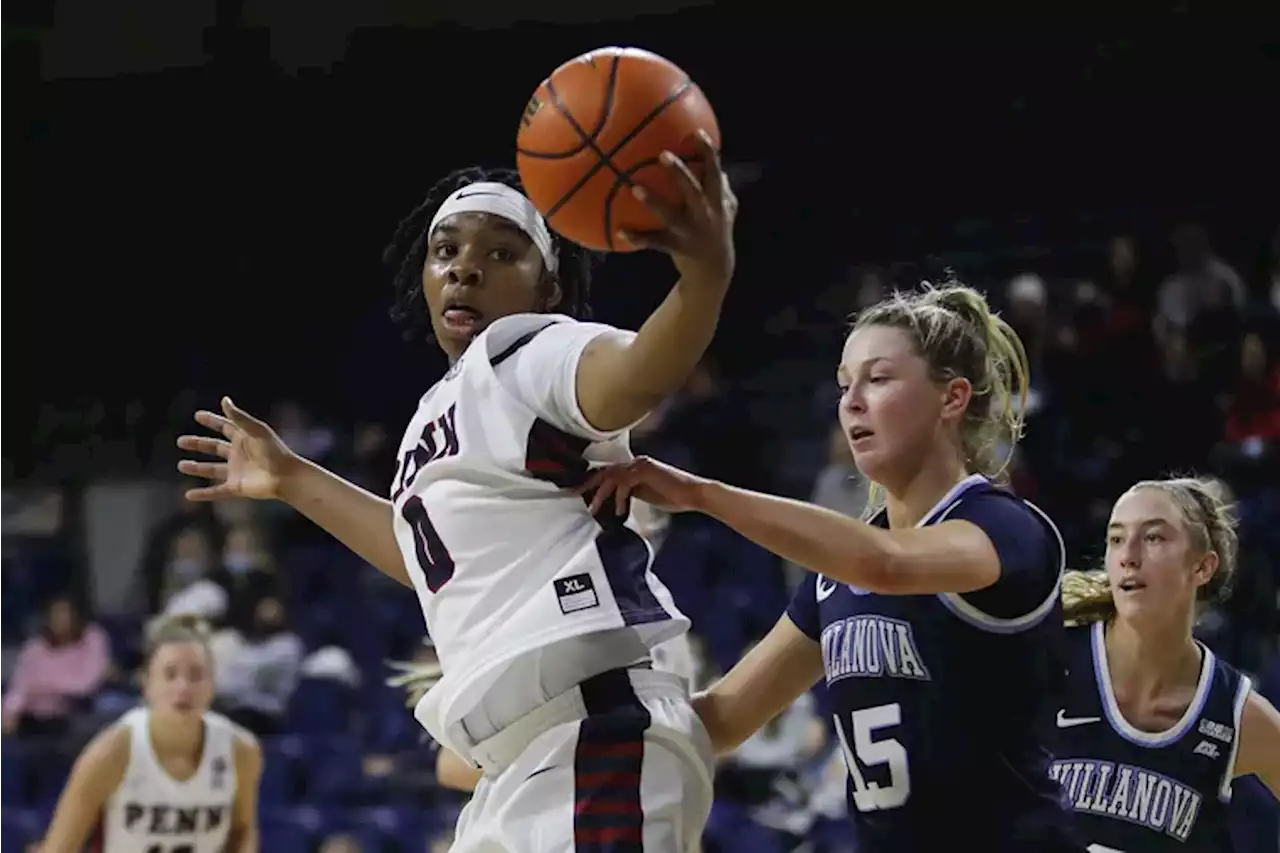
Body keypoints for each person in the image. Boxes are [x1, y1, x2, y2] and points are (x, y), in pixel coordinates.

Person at [177, 136, 737, 853]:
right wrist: (294, 479)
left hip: (596, 732)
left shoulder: (533, 352)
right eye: (446, 251)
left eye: (502, 254)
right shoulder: (439, 410)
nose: (466, 266)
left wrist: (703, 281)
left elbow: (635, 373)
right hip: (512, 766)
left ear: (549, 287)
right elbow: (422, 560)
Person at [584, 281, 1084, 852]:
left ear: (953, 398)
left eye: (878, 379)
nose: (851, 402)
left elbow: (887, 565)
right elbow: (721, 720)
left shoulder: (1003, 526)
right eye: (845, 384)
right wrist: (586, 737)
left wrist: (700, 493)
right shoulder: (837, 573)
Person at [1055, 477, 1280, 852]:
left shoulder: (1232, 712)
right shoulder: (1050, 657)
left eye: (1154, 538)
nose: (1128, 554)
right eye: (1115, 538)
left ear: (1202, 568)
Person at [39, 614, 262, 853]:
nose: (183, 687)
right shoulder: (111, 752)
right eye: (170, 674)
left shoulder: (240, 750)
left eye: (196, 675)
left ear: (212, 686)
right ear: (147, 684)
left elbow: (243, 831)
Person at [412, 631, 701, 793]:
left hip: (631, 785)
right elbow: (449, 767)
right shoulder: (524, 611)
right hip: (538, 804)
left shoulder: (666, 632)